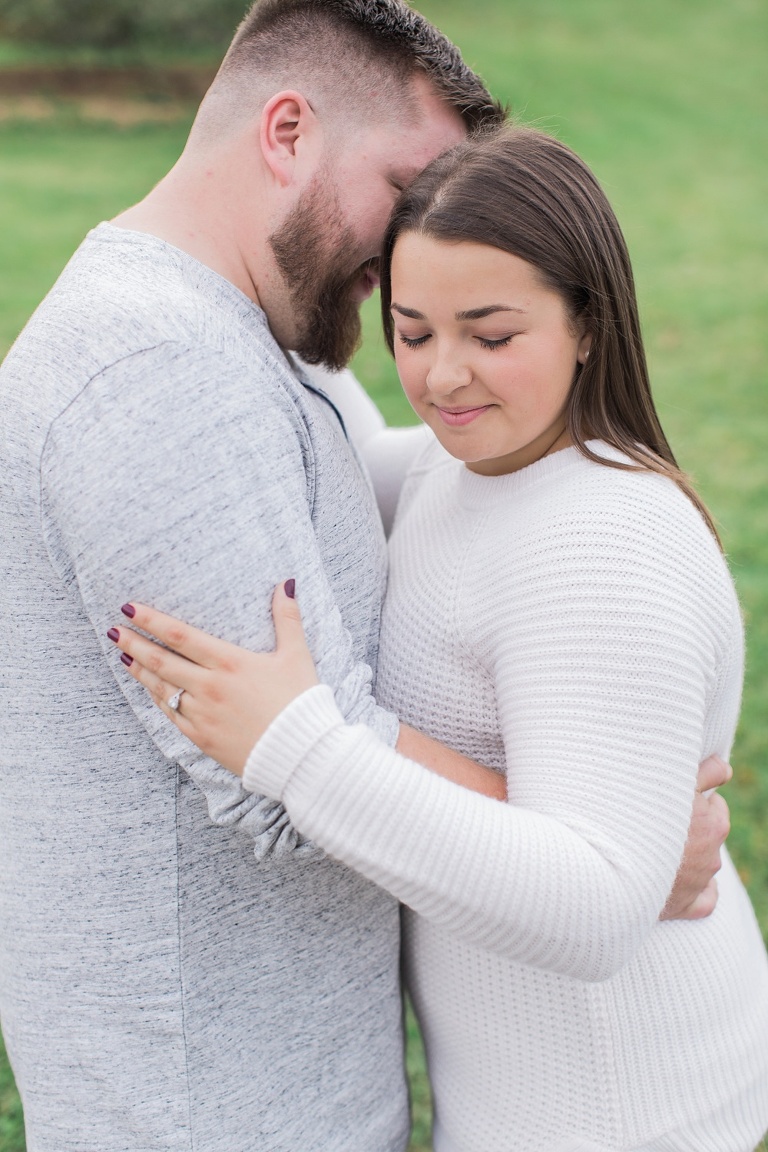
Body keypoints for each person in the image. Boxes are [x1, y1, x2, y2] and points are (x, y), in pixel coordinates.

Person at [111, 127, 768, 1151]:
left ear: (589, 324)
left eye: (492, 335)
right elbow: (317, 426)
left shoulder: (609, 541)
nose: (445, 376)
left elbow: (595, 911)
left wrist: (297, 745)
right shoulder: (445, 471)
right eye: (412, 333)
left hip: (633, 1112)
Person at [0, 2, 512, 1148]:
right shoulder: (153, 372)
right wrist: (590, 830)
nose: (414, 250)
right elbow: (292, 778)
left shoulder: (251, 345)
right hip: (204, 1115)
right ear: (287, 132)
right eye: (405, 190)